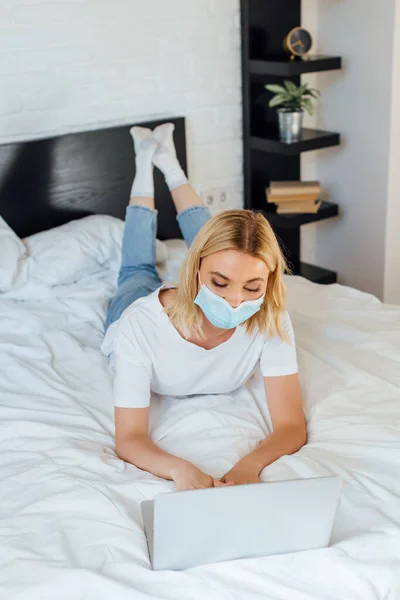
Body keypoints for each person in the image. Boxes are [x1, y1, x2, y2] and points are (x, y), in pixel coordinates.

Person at [102, 123, 307, 491]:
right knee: (137, 270)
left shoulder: (271, 319)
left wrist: (251, 465)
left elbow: (291, 426)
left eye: (253, 286)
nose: (234, 300)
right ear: (195, 271)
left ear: (269, 284)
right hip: (143, 307)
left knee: (231, 244)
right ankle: (144, 162)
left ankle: (169, 160)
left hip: (191, 285)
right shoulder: (138, 325)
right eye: (219, 283)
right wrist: (180, 469)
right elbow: (129, 438)